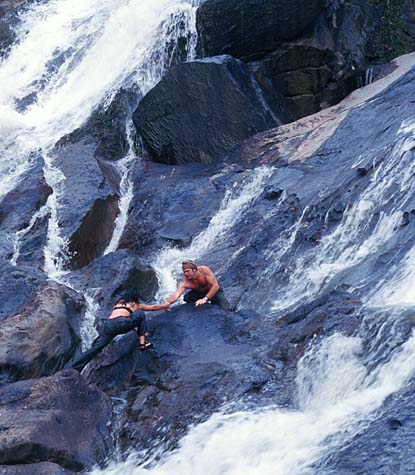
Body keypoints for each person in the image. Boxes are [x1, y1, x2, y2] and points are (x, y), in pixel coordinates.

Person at [70, 289, 169, 372]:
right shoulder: (134, 304)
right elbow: (152, 307)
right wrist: (164, 306)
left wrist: (139, 330)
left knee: (94, 349)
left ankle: (75, 368)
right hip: (121, 323)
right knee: (140, 314)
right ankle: (143, 344)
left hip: (108, 325)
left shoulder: (119, 303)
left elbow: (129, 323)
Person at [163, 260, 233, 311]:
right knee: (187, 298)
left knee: (227, 309)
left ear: (194, 270)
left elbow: (215, 286)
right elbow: (176, 295)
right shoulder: (185, 282)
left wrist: (205, 299)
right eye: (184, 272)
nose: (186, 274)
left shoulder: (204, 270)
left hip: (213, 291)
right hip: (199, 293)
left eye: (187, 271)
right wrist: (167, 302)